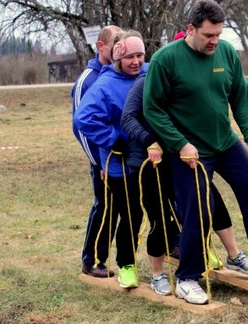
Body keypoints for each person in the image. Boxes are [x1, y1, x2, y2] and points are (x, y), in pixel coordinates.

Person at [143, 0, 248, 305]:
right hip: (188, 150)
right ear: (190, 29)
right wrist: (180, 143)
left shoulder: (225, 53)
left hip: (226, 143)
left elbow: (241, 97)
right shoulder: (165, 60)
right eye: (209, 35)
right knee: (200, 209)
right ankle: (187, 278)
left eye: (219, 34)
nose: (214, 41)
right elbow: (153, 109)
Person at [120, 72, 248, 291]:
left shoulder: (185, 79)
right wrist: (150, 141)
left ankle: (231, 254)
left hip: (179, 155)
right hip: (149, 159)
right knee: (160, 216)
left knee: (208, 201)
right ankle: (157, 274)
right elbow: (128, 118)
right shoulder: (147, 81)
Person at [74, 30, 149, 289]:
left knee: (147, 210)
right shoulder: (103, 85)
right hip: (117, 163)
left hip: (149, 158)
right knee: (125, 213)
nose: (136, 61)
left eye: (140, 55)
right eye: (129, 57)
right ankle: (116, 263)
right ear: (118, 58)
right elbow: (83, 119)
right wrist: (113, 140)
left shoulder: (147, 73)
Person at [72, 25, 122, 278]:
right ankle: (92, 261)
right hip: (102, 162)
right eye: (115, 43)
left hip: (124, 159)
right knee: (105, 209)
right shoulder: (88, 80)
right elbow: (81, 128)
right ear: (101, 46)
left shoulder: (118, 74)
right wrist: (99, 163)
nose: (119, 48)